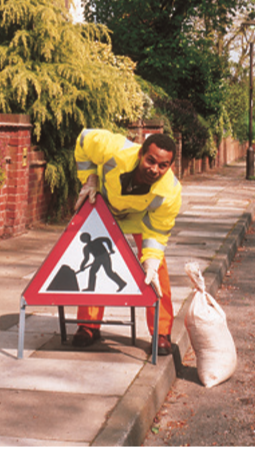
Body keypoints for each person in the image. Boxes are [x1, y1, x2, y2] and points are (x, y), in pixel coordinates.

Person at [72, 128, 182, 355]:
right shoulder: (114, 149)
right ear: (141, 153)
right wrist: (89, 178)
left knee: (157, 269)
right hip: (105, 206)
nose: (155, 169)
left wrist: (150, 260)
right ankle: (88, 325)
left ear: (170, 166)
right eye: (151, 161)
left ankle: (161, 332)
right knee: (96, 265)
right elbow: (83, 140)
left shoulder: (169, 192)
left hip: (140, 218)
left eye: (163, 165)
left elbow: (158, 229)